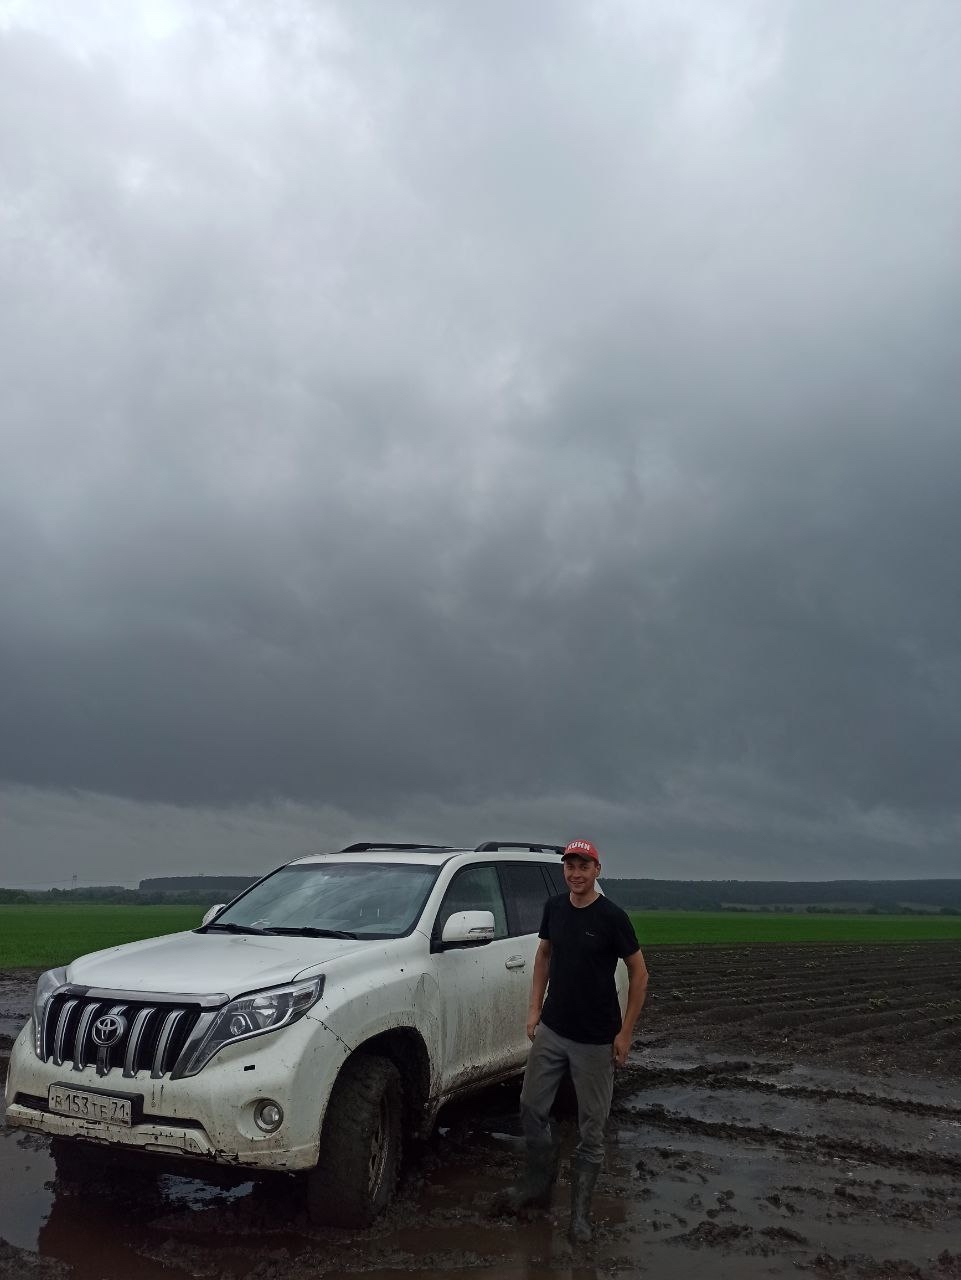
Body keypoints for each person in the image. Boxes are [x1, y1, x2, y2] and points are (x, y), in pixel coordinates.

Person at [494, 837, 649, 1244]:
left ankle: (580, 1215)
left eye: (584, 866)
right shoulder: (554, 908)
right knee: (531, 1106)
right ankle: (538, 1185)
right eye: (570, 866)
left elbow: (639, 973)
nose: (576, 874)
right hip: (553, 1029)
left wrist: (626, 1032)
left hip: (595, 1040)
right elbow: (543, 955)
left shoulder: (613, 917)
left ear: (597, 870)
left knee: (591, 1129)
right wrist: (534, 1009)